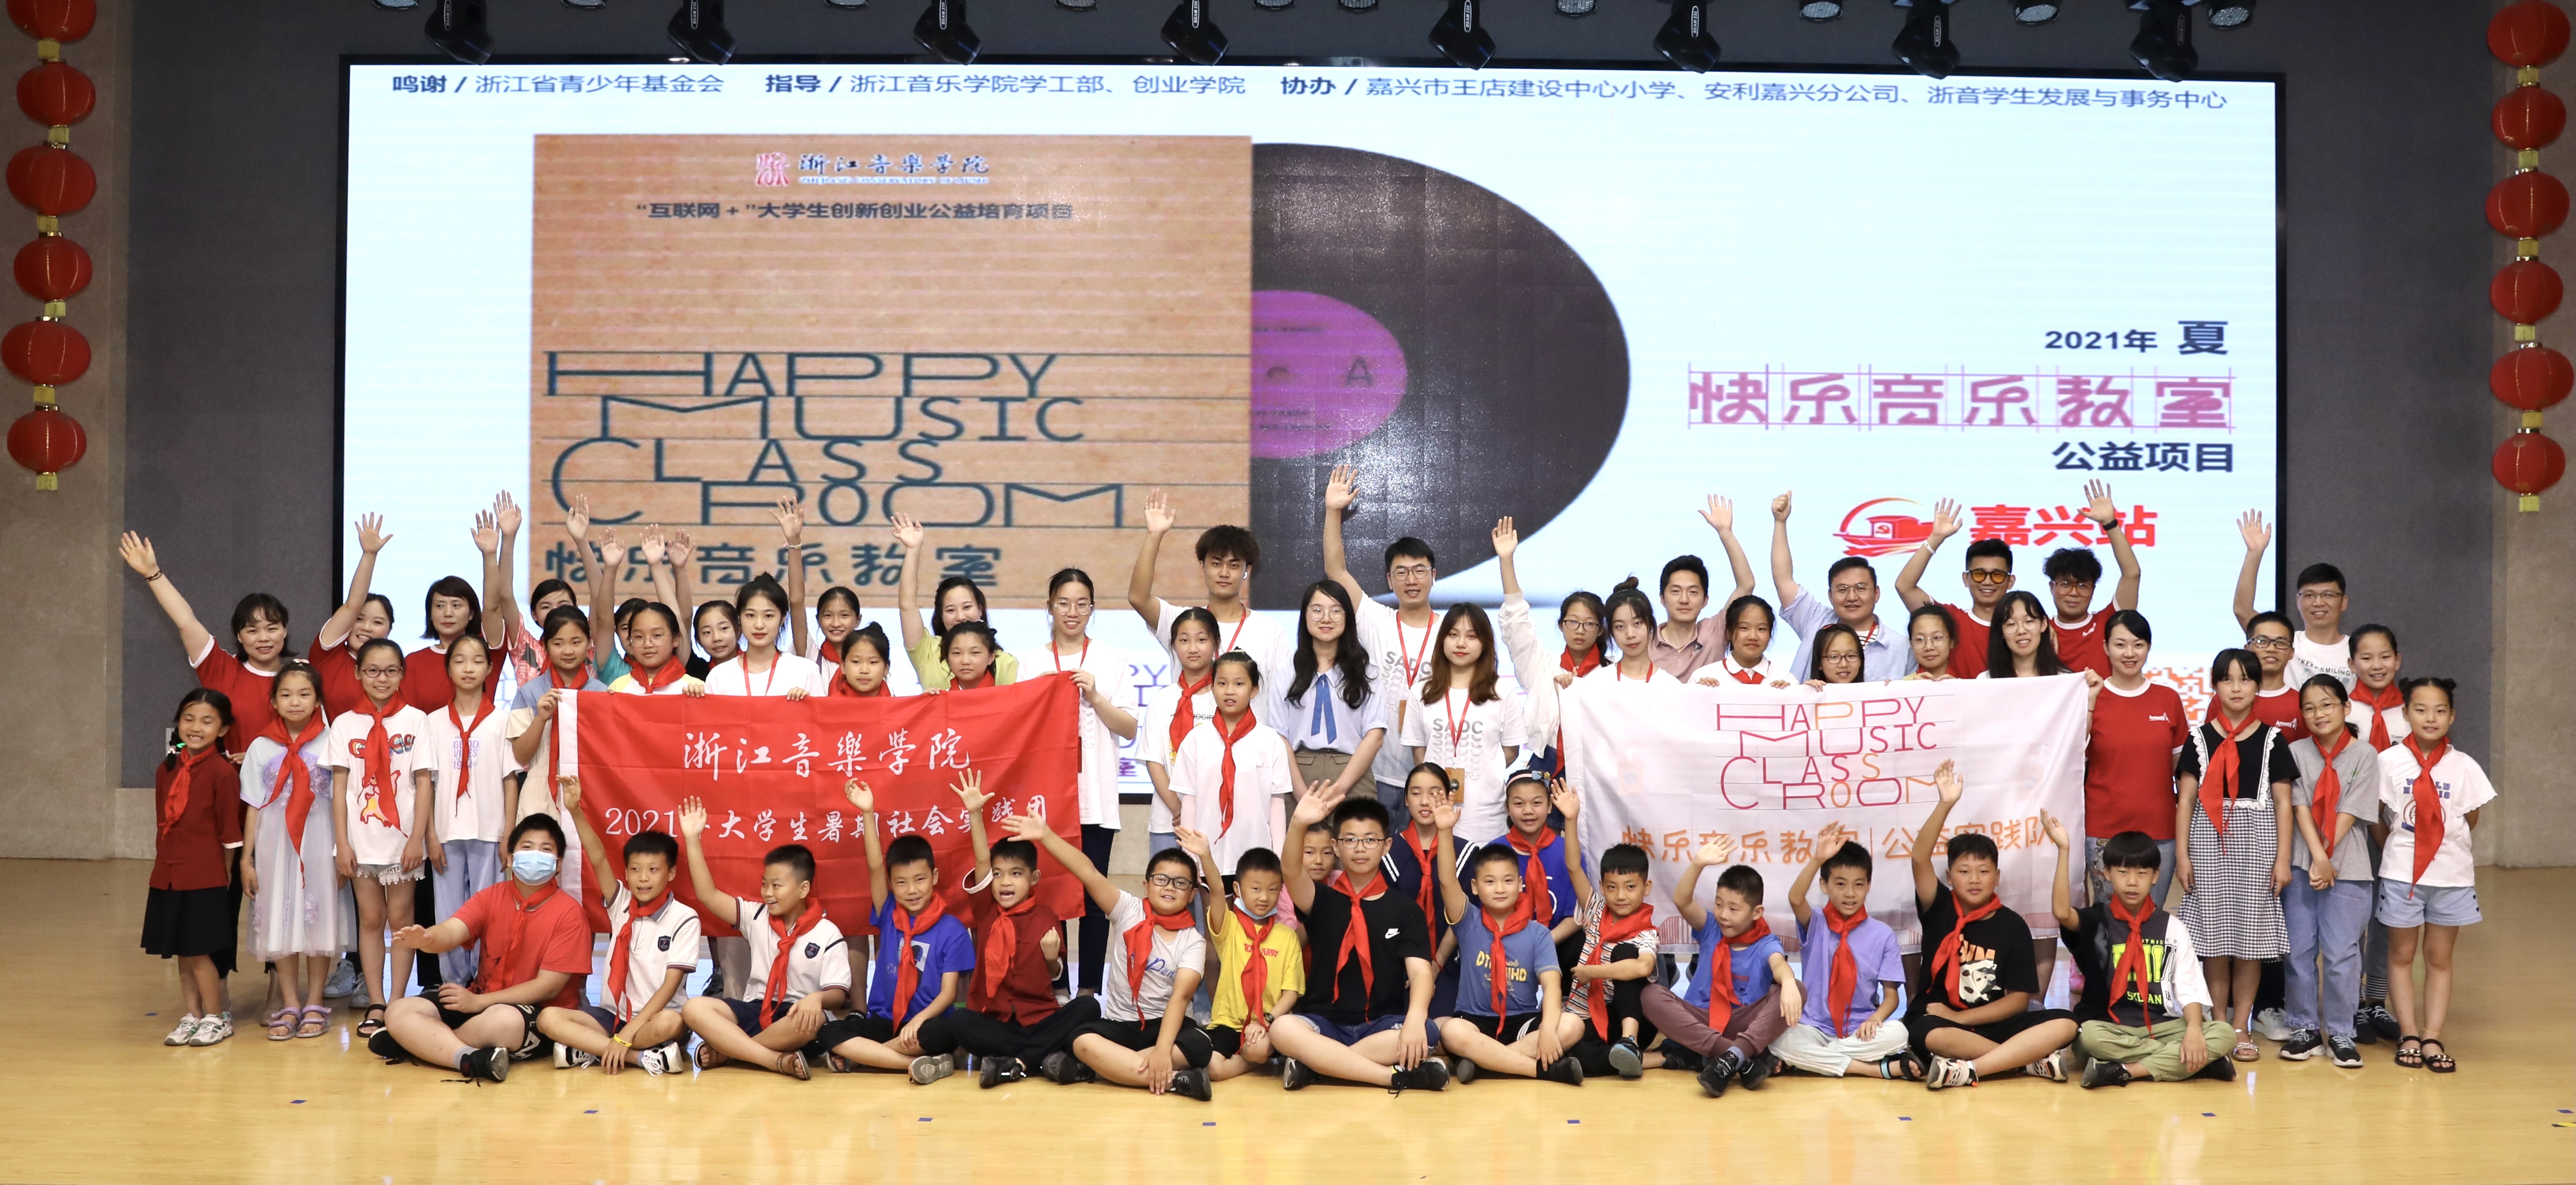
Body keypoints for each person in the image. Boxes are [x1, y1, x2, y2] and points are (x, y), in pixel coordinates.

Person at [1005, 815, 1215, 1099]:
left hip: (1164, 1027)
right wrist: (1047, 835)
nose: (1169, 887)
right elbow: (1089, 873)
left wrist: (1163, 1050)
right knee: (1081, 1040)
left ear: (1192, 895)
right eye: (1161, 879)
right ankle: (1175, 1081)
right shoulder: (1128, 910)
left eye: (1180, 883)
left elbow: (1181, 997)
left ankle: (1101, 1070)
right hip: (1119, 1026)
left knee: (1201, 1043)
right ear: (1146, 885)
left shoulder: (1193, 941)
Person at [371, 814, 593, 1081]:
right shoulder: (491, 896)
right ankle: (469, 1059)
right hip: (481, 1001)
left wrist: (479, 1002)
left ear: (558, 865)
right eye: (527, 847)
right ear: (510, 858)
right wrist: (427, 939)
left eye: (546, 850)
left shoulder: (570, 913)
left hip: (536, 1012)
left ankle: (421, 1044)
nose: (535, 855)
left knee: (504, 1020)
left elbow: (548, 987)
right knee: (399, 1011)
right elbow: (452, 930)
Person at [916, 772, 1102, 1088]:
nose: (1005, 882)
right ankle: (1039, 1059)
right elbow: (981, 858)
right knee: (959, 1021)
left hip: (1039, 1019)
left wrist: (1050, 959)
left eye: (1016, 874)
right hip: (996, 1022)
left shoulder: (1047, 916)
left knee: (1089, 1007)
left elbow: (1055, 973)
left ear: (1033, 879)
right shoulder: (987, 909)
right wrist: (975, 813)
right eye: (999, 874)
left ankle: (1016, 1063)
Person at [1908, 760, 2079, 1089]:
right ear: (1949, 877)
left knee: (2067, 1023)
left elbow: (2017, 1002)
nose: (1974, 879)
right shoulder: (1938, 907)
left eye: (1984, 871)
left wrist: (1961, 1017)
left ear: (1997, 877)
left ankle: (1970, 1069)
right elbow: (1919, 858)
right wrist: (1945, 804)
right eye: (1964, 872)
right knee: (1926, 1033)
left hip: (1989, 1022)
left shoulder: (2012, 926)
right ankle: (2025, 1061)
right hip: (1939, 1019)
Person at [1009, 568, 1139, 996]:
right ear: (1049, 606)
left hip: (1095, 799)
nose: (1072, 612)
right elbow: (1016, 727)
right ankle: (1058, 988)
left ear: (1093, 609)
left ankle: (1089, 992)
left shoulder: (1110, 659)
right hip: (1048, 801)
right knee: (1050, 899)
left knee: (1095, 898)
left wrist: (1095, 697)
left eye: (1082, 604)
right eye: (1063, 603)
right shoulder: (1032, 662)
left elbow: (1129, 729)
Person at [1269, 790, 1449, 1092]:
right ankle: (1391, 1077)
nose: (1360, 848)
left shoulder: (1406, 910)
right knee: (1283, 1029)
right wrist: (1298, 822)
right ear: (1336, 847)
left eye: (1370, 840)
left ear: (1386, 846)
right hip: (1324, 1024)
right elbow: (1290, 870)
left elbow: (1421, 974)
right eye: (1350, 840)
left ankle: (1318, 1066)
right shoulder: (1320, 899)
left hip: (1381, 1025)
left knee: (1427, 1031)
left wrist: (1416, 1018)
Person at [2172, 648, 2295, 1063]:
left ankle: (2242, 1025)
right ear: (2214, 686)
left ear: (2258, 686)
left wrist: (2282, 859)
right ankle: (2219, 1023)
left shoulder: (2272, 740)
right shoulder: (2198, 739)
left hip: (2257, 847)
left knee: (2249, 942)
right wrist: (2183, 856)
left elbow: (2283, 804)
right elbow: (2185, 801)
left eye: (2245, 679)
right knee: (2214, 940)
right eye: (2227, 679)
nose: (2236, 687)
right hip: (2207, 844)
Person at [676, 797, 853, 1081]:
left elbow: (839, 993)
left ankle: (731, 1052)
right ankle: (773, 1060)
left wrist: (817, 998)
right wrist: (692, 840)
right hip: (756, 1009)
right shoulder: (756, 916)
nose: (768, 893)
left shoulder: (827, 932)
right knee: (694, 1008)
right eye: (764, 884)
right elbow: (708, 896)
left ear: (804, 889)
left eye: (777, 886)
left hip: (796, 1016)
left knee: (814, 1020)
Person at [2049, 824, 2237, 1088]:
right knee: (2088, 1038)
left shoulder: (2172, 927)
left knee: (2224, 1033)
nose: (2132, 882)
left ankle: (2123, 1070)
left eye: (2142, 873)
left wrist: (2194, 1031)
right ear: (2107, 873)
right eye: (2123, 872)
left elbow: (2189, 985)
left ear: (2156, 876)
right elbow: (2062, 912)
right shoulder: (2097, 921)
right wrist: (2064, 850)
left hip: (2162, 1026)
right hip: (2110, 1026)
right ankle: (2196, 1063)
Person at [810, 780, 972, 1081]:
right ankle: (910, 1063)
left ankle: (866, 1058)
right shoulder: (890, 914)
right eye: (901, 882)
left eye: (920, 880)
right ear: (891, 884)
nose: (912, 890)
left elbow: (949, 994)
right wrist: (867, 813)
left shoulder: (953, 930)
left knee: (942, 1032)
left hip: (926, 1023)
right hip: (886, 1021)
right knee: (829, 1031)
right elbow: (875, 866)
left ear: (935, 877)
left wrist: (919, 1021)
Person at [538, 777, 694, 1075]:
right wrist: (575, 810)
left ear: (671, 873)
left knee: (673, 1023)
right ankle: (640, 1058)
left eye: (653, 870)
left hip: (654, 1018)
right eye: (635, 870)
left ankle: (593, 1049)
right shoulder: (622, 902)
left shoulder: (684, 917)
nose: (643, 878)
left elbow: (670, 986)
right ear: (626, 872)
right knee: (548, 1019)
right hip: (612, 1016)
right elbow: (597, 858)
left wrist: (629, 1033)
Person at [2376, 677, 2489, 1076]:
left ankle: (2432, 1035)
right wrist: (2398, 849)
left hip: (2451, 877)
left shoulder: (2464, 766)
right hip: (2400, 875)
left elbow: (2471, 817)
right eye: (2421, 710)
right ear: (2405, 713)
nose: (2430, 718)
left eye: (2440, 711)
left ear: (2452, 716)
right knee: (2401, 956)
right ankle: (2408, 1033)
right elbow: (2377, 817)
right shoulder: (2388, 761)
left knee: (2439, 959)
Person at [1320, 464, 1444, 809]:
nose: (1411, 580)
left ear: (1433, 575)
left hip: (1432, 775)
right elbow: (1336, 571)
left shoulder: (1452, 633)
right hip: (1376, 774)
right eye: (1401, 572)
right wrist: (1333, 512)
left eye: (1419, 571)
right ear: (1389, 580)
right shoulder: (1375, 619)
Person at [327, 637, 432, 1039]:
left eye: (390, 671)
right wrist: (342, 844)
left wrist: (417, 839)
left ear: (402, 674)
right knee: (371, 919)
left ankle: (399, 1001)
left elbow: (424, 783)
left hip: (403, 841)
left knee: (402, 920)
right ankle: (376, 1001)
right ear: (358, 673)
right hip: (361, 840)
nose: (381, 678)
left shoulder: (416, 720)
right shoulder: (344, 724)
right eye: (372, 670)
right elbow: (340, 788)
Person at [239, 663, 349, 1042]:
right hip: (275, 845)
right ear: (274, 701)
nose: (295, 702)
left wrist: (340, 852)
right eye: (286, 695)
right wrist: (246, 859)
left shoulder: (332, 741)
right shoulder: (260, 746)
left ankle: (315, 1002)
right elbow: (254, 805)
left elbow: (342, 801)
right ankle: (289, 1002)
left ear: (318, 700)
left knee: (318, 921)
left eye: (304, 694)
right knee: (281, 920)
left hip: (319, 841)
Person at [1431, 820, 1585, 1086]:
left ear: (1521, 884)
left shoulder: (1538, 933)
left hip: (1521, 1023)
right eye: (1490, 882)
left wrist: (1548, 1030)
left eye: (1508, 881)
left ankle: (1484, 1065)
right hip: (1475, 1023)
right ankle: (1541, 1070)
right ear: (1475, 887)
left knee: (1573, 1025)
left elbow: (1552, 986)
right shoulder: (1468, 921)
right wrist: (1444, 831)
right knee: (1451, 1031)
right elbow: (1447, 881)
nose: (1500, 889)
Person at [1641, 839, 1800, 1097]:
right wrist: (1698, 863)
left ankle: (1715, 1054)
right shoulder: (1711, 928)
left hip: (1743, 1024)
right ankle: (1739, 1057)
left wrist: (1790, 983)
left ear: (1757, 912)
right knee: (1650, 995)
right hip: (1701, 1019)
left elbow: (1779, 964)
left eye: (1734, 909)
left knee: (1795, 988)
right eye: (1718, 904)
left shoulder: (1766, 943)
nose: (1723, 914)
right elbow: (1682, 900)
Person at [2279, 675, 2382, 1069]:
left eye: (2326, 705)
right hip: (2302, 863)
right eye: (2309, 708)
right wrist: (2317, 858)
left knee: (2341, 954)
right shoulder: (2296, 751)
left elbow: (2351, 810)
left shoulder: (2365, 754)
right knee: (2298, 950)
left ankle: (2341, 1031)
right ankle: (2304, 1027)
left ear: (2345, 707)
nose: (2318, 714)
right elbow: (2299, 806)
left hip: (2348, 865)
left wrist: (2326, 856)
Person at [119, 531, 295, 755]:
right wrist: (153, 573)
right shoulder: (222, 669)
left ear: (285, 631)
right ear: (239, 636)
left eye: (272, 629)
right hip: (227, 777)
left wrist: (259, 760)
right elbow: (186, 622)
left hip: (288, 778)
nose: (263, 638)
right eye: (252, 630)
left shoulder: (300, 678)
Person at [1130, 487, 1289, 718]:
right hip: (1188, 738)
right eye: (1216, 564)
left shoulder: (1270, 631)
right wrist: (1154, 536)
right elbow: (1138, 598)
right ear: (1202, 567)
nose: (1224, 573)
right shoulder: (1182, 622)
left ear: (1247, 571)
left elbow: (1281, 699)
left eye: (1234, 565)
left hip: (1250, 739)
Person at [419, 634, 517, 988]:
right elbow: (427, 784)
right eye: (459, 661)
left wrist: (508, 833)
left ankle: (486, 981)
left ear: (490, 668)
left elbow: (510, 779)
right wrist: (430, 835)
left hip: (490, 830)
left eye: (477, 661)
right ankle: (453, 983)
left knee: (488, 908)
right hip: (446, 831)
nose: (468, 668)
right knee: (448, 911)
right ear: (448, 669)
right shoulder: (432, 723)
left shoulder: (502, 721)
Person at [145, 689, 241, 1048]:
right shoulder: (167, 769)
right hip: (169, 874)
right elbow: (162, 822)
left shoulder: (222, 773)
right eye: (189, 719)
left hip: (205, 876)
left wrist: (223, 877)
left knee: (200, 950)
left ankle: (216, 1017)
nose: (196, 727)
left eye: (207, 721)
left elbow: (229, 832)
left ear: (223, 729)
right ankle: (193, 1014)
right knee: (182, 950)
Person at [1775, 832, 1914, 1079]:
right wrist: (1818, 859)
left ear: (1868, 886)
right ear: (1824, 885)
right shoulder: (1815, 922)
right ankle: (1873, 1070)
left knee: (1899, 1034)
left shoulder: (1883, 934)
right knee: (1780, 1038)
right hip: (1813, 1027)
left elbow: (1892, 997)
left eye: (1858, 885)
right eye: (1840, 884)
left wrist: (1875, 1019)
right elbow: (1795, 898)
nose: (1850, 893)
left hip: (1860, 1030)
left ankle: (1815, 1059)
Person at [2082, 611, 2188, 905]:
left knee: (2152, 920)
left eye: (2138, 645)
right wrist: (2089, 703)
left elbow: (2183, 773)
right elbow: (2074, 758)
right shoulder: (2090, 698)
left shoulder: (2168, 699)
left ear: (2149, 648)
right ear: (2105, 647)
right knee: (2108, 924)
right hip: (2104, 832)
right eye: (2120, 645)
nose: (2130, 653)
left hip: (2160, 832)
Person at [1179, 835, 1303, 1082]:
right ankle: (1262, 1062)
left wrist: (1267, 1020)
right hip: (1228, 1024)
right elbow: (1216, 891)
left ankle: (1261, 1055)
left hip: (1268, 1023)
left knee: (1257, 1048)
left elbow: (1291, 993)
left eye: (1273, 889)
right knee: (1213, 1068)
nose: (1264, 897)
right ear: (1237, 889)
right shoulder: (1230, 927)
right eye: (1256, 889)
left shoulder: (1288, 937)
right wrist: (1206, 856)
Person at [1398, 603, 1526, 841]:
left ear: (1485, 643)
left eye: (1471, 636)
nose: (1461, 644)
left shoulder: (1502, 692)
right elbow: (1419, 751)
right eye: (1453, 635)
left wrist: (1484, 769)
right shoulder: (1421, 692)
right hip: (1434, 811)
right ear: (1442, 640)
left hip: (1486, 813)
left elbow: (1511, 750)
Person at [505, 607, 607, 898]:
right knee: (534, 875)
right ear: (546, 645)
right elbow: (522, 755)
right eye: (558, 643)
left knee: (585, 875)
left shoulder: (601, 693)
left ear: (589, 643)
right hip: (539, 790)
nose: (568, 651)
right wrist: (541, 718)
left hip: (587, 792)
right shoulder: (530, 692)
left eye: (576, 642)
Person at [1174, 652, 1295, 881]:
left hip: (1256, 855)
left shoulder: (1271, 741)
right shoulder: (1196, 740)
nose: (1229, 691)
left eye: (1239, 684)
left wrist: (1278, 858)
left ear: (1254, 690)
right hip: (1207, 853)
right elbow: (1189, 801)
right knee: (1214, 906)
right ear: (1212, 688)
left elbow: (1277, 805)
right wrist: (1190, 857)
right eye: (1222, 684)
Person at [1767, 492, 1912, 681]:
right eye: (1842, 590)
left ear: (1876, 593)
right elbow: (1783, 580)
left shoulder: (1901, 647)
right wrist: (1780, 523)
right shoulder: (1815, 620)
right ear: (1830, 595)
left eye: (1861, 588)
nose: (1852, 597)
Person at [2343, 623, 2406, 1043]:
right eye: (2366, 658)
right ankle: (2348, 1003)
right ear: (2351, 664)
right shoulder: (2342, 710)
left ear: (2397, 660)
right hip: (2350, 826)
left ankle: (2375, 1000)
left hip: (2399, 829)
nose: (2376, 665)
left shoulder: (2411, 710)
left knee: (2387, 915)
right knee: (2351, 916)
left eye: (2384, 657)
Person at [1560, 836, 1664, 1081]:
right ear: (1601, 886)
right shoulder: (1596, 911)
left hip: (1632, 1019)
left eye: (1630, 887)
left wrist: (1593, 972)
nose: (1621, 896)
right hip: (1590, 1016)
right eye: (1612, 887)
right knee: (1579, 1056)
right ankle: (1655, 1059)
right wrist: (1571, 819)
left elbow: (1644, 967)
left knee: (1625, 953)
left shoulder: (1647, 933)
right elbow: (1574, 867)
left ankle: (1630, 1042)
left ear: (1647, 887)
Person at [1278, 580, 1389, 802]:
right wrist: (1301, 795)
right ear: (1305, 615)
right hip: (1299, 774)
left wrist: (1340, 788)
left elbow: (1375, 735)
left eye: (1336, 611)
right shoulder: (1286, 670)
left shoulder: (1368, 672)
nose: (1326, 618)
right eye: (1317, 610)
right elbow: (1279, 735)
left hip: (1353, 773)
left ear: (1348, 617)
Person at [890, 513, 1023, 692]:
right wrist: (913, 550)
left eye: (967, 607)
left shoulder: (1005, 662)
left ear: (980, 609)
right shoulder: (928, 652)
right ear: (941, 616)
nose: (961, 617)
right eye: (951, 610)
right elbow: (907, 606)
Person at [2230, 510, 2354, 690]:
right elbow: (2242, 610)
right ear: (2298, 601)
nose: (2318, 603)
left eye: (2328, 595)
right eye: (2309, 595)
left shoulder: (2358, 650)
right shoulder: (2282, 643)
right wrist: (2254, 553)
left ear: (2344, 602)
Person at [1384, 762, 1468, 1018]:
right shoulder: (1387, 851)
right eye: (1416, 793)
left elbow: (1463, 918)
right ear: (1406, 800)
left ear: (1449, 797)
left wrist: (1436, 964)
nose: (1425, 801)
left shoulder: (1466, 852)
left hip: (1450, 962)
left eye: (1434, 793)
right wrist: (1412, 967)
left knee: (1447, 1026)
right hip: (1396, 962)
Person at [1139, 608, 1222, 861]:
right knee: (1168, 883)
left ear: (1217, 643)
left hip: (1216, 819)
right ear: (1174, 646)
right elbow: (1154, 760)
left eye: (1202, 639)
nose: (1193, 648)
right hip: (1169, 821)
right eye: (1184, 640)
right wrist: (1179, 809)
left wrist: (1200, 811)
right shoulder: (1162, 699)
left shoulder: (1225, 698)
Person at [1892, 496, 2013, 667]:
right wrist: (1935, 539)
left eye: (1997, 575)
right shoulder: (1950, 620)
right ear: (1966, 579)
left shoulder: (2024, 629)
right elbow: (1905, 587)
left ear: (2010, 581)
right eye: (1979, 574)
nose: (1987, 582)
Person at [2036, 483, 2143, 675]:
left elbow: (2132, 573)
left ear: (2093, 590)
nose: (2074, 593)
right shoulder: (2037, 630)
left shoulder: (2109, 623)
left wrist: (2110, 523)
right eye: (2065, 584)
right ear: (2052, 587)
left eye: (2083, 585)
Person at [306, 513, 396, 717]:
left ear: (389, 631)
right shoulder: (328, 656)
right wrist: (369, 555)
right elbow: (352, 605)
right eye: (359, 619)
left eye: (378, 622)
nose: (366, 628)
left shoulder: (395, 670)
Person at [704, 575, 828, 698]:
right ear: (739, 618)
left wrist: (805, 705)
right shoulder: (719, 676)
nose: (759, 625)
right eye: (751, 615)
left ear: (782, 619)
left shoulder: (805, 671)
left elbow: (820, 712)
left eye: (768, 616)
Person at [1589, 578, 1690, 687]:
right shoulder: (1596, 682)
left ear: (1650, 624)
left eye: (1637, 623)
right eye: (1620, 627)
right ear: (1611, 632)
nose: (1630, 634)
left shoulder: (1670, 685)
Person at [2224, 612, 2305, 732]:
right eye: (2262, 641)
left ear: (2291, 653)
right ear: (2247, 649)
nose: (2272, 649)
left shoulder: (2302, 704)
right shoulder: (2226, 698)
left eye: (2281, 643)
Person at [603, 603, 706, 696]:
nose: (647, 644)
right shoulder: (618, 688)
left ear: (676, 639)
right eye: (639, 637)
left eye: (657, 635)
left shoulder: (695, 689)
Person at [1694, 595, 1793, 687]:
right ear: (1729, 633)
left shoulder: (1786, 680)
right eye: (1744, 628)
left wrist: (1789, 695)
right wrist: (1700, 693)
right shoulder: (1704, 677)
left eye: (1762, 629)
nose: (1753, 637)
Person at [1981, 591, 2074, 680]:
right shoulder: (1986, 680)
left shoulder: (2065, 679)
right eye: (2011, 624)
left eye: (2029, 621)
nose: (2021, 631)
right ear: (2001, 632)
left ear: (2043, 624)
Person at [828, 623, 897, 698]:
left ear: (886, 668)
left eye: (873, 662)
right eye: (856, 662)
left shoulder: (897, 705)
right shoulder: (830, 705)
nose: (864, 670)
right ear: (843, 666)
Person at [1901, 604, 1964, 681]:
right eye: (1920, 639)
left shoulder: (1966, 685)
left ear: (1952, 642)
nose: (1929, 647)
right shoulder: (1902, 686)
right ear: (1911, 644)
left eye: (1937, 638)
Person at [936, 621, 1004, 692]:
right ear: (947, 658)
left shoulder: (1005, 697)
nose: (965, 661)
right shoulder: (939, 697)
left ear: (991, 658)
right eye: (957, 653)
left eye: (975, 652)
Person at [689, 600, 738, 682]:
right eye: (707, 632)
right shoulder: (699, 674)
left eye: (724, 628)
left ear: (738, 630)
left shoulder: (757, 667)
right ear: (698, 640)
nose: (716, 638)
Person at [1805, 623, 1867, 688]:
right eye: (1834, 657)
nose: (1844, 665)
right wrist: (1808, 691)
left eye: (1851, 656)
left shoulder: (1871, 692)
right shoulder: (1810, 693)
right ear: (1819, 663)